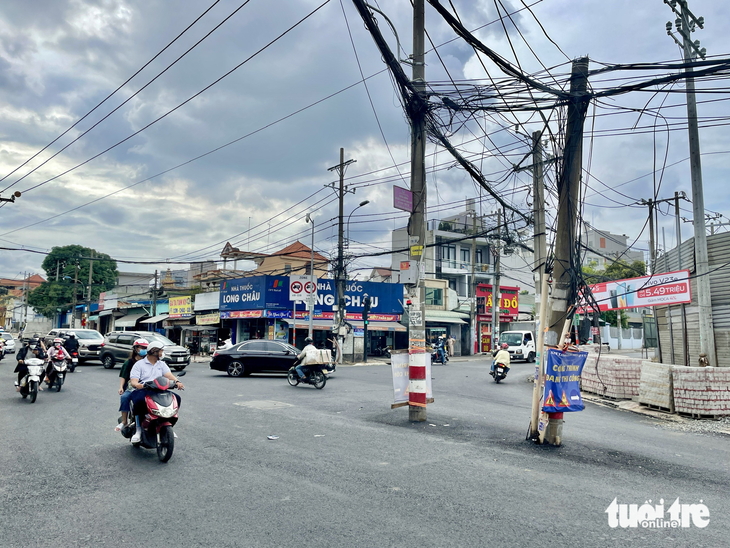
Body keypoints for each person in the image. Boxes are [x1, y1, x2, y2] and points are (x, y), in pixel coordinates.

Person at [128, 341, 184, 443]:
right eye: (161, 351)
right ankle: (138, 429)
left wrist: (177, 381)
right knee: (139, 401)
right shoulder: (139, 364)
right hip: (144, 390)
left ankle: (169, 426)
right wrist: (137, 384)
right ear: (154, 351)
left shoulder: (161, 364)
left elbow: (168, 375)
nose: (162, 353)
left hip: (159, 389)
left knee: (176, 398)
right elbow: (134, 381)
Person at [115, 339, 148, 432]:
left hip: (147, 387)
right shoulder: (129, 362)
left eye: (145, 348)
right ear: (135, 349)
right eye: (141, 348)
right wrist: (121, 387)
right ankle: (124, 421)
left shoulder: (149, 362)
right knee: (124, 397)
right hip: (132, 388)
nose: (143, 350)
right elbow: (124, 376)